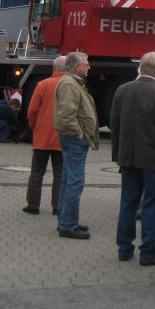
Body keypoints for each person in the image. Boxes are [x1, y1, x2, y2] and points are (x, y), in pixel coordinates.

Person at [111, 52, 155, 266]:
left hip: (128, 156)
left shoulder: (122, 90)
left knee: (128, 203)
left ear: (140, 68)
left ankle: (124, 248)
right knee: (151, 204)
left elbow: (114, 124)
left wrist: (118, 154)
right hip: (153, 158)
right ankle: (148, 251)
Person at [54, 52, 98, 240]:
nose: (89, 67)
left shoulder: (72, 83)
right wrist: (80, 133)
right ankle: (68, 225)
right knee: (75, 182)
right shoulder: (69, 85)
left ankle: (65, 221)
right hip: (74, 140)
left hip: (73, 139)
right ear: (76, 67)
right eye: (86, 64)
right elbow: (66, 115)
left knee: (68, 180)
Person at [23, 55, 66, 216]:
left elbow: (32, 111)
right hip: (62, 137)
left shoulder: (42, 85)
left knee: (37, 172)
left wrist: (36, 127)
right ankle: (58, 206)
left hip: (42, 136)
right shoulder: (72, 86)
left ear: (53, 68)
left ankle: (33, 205)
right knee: (60, 174)